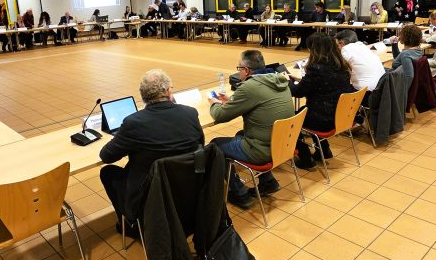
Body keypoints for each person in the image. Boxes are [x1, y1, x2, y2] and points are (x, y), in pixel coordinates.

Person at [99, 69, 204, 235]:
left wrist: (125, 139)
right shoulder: (190, 113)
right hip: (187, 187)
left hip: (150, 192)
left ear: (143, 96)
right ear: (168, 91)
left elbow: (106, 156)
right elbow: (200, 144)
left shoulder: (133, 122)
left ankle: (131, 225)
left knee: (107, 172)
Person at [209, 50, 295, 207]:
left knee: (215, 145)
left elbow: (220, 116)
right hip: (284, 144)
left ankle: (239, 194)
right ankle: (268, 182)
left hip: (263, 151)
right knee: (240, 134)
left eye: (239, 69)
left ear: (247, 70)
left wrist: (214, 103)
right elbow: (259, 101)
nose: (238, 72)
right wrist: (233, 100)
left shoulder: (249, 87)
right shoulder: (279, 80)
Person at [288, 33, 356, 169]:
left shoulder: (316, 69)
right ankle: (324, 150)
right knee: (311, 112)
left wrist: (287, 82)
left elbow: (298, 92)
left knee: (290, 120)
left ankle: (305, 157)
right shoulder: (341, 66)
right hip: (341, 116)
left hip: (325, 120)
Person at [334, 30, 385, 94]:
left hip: (366, 91)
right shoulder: (363, 46)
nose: (337, 47)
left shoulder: (345, 49)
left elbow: (339, 68)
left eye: (337, 45)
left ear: (342, 43)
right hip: (381, 86)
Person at [390, 24, 424, 90]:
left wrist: (404, 92)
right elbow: (399, 59)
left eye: (401, 34)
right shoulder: (419, 50)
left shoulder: (405, 54)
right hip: (399, 78)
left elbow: (409, 76)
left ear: (405, 37)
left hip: (398, 85)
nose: (399, 36)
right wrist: (394, 44)